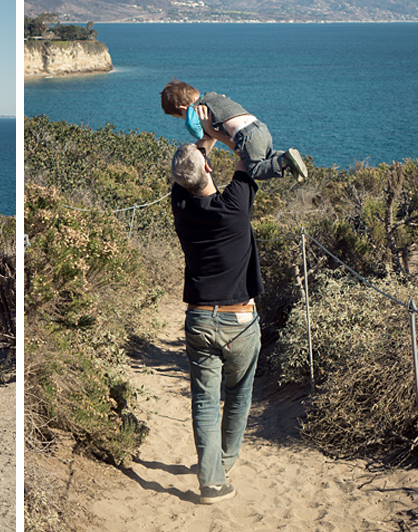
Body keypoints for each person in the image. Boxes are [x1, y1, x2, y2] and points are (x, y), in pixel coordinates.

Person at [169, 108, 264, 504]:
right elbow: (249, 151)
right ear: (209, 168)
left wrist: (203, 141)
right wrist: (214, 129)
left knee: (205, 400)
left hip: (199, 321)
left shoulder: (180, 205)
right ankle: (222, 464)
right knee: (239, 397)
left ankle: (210, 479)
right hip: (240, 320)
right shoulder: (236, 205)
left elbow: (192, 170)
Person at [161, 78, 308, 182]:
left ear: (182, 109)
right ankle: (286, 156)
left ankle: (284, 160)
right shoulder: (213, 96)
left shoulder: (194, 110)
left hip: (246, 135)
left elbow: (196, 130)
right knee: (267, 156)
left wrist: (201, 133)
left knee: (254, 170)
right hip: (259, 126)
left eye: (179, 116)